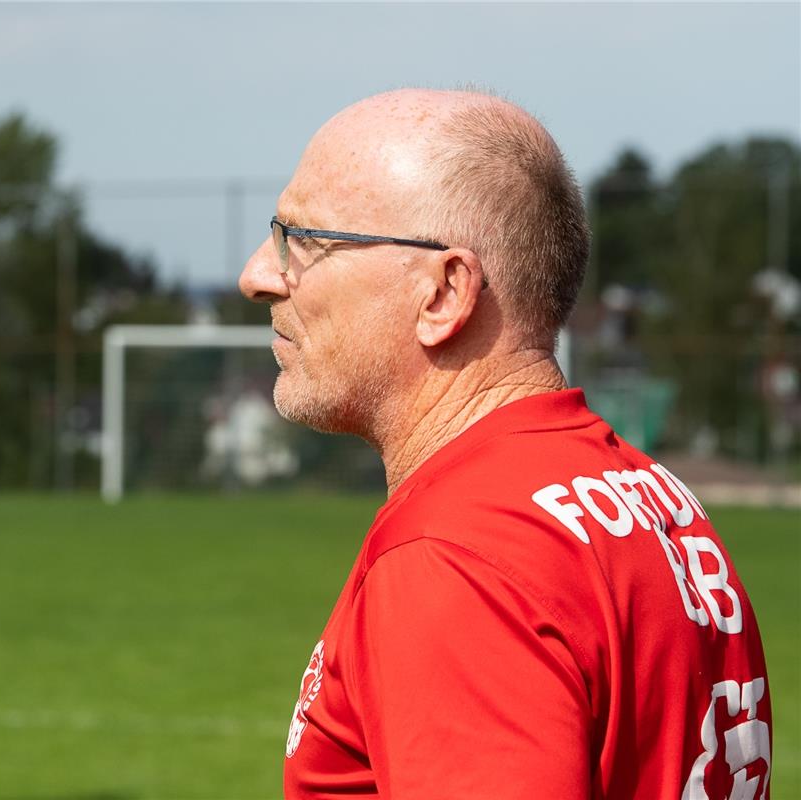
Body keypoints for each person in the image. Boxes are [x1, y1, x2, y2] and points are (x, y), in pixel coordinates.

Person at [239, 89, 772, 799]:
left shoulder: (458, 560)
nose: (257, 276)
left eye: (302, 240)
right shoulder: (653, 497)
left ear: (443, 293)